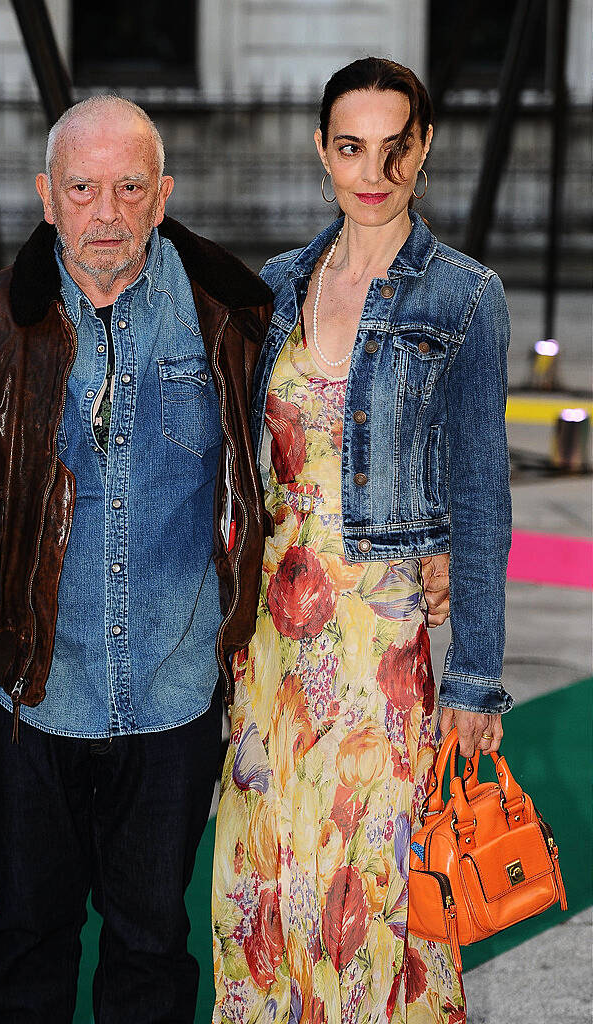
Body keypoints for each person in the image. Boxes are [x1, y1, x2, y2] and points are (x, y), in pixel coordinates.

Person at [0, 95, 276, 1023]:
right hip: (31, 695)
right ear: (47, 197)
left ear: (162, 195)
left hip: (175, 691)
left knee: (151, 946)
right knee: (29, 939)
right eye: (82, 189)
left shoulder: (229, 314)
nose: (106, 214)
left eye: (129, 189)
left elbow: (294, 467)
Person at [211, 57, 513, 1022]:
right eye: (351, 148)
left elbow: (482, 492)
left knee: (376, 886)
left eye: (394, 148)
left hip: (388, 642)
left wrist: (474, 679)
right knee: (268, 870)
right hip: (274, 638)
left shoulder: (464, 297)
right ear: (323, 152)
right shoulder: (277, 283)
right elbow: (245, 466)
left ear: (423, 149)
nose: (372, 171)